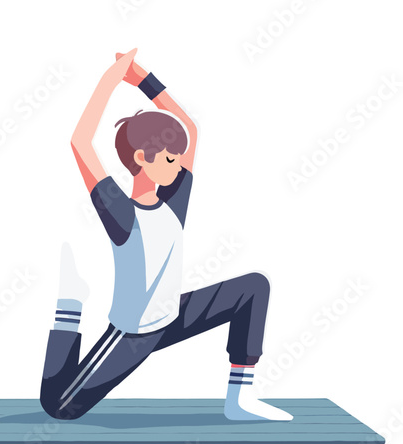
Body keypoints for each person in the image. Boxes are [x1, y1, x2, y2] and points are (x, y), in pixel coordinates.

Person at [40, 49, 293, 422]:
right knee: (58, 407)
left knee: (254, 287)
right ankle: (70, 309)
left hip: (172, 315)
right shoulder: (121, 212)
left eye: (179, 160)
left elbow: (189, 128)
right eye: (170, 160)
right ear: (141, 158)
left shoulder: (173, 200)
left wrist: (141, 77)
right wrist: (112, 78)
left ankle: (239, 398)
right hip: (132, 335)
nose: (178, 168)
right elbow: (81, 143)